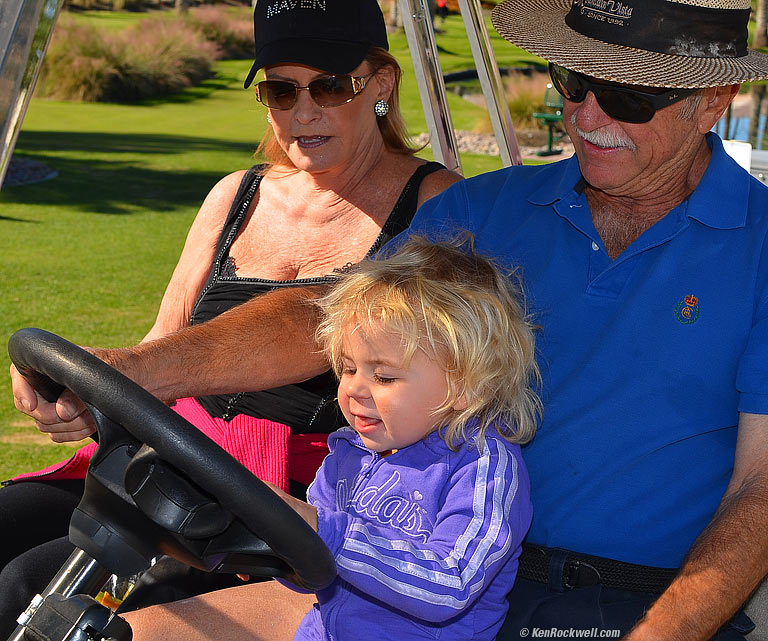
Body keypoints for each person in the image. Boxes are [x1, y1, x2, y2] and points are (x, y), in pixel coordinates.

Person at [11, 0, 768, 640]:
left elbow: (760, 487)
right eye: (574, 85)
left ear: (714, 99)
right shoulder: (492, 210)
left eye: (626, 98)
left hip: (632, 601)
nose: (587, 117)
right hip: (401, 569)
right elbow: (324, 315)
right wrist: (131, 369)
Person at [0, 0, 459, 635]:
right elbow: (160, 345)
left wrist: (137, 375)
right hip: (159, 460)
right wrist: (89, 392)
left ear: (380, 83)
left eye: (329, 85)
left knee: (26, 588)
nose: (303, 111)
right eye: (280, 88)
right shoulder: (234, 194)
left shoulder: (438, 205)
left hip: (276, 505)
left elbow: (320, 323)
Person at [264, 235, 541, 641]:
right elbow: (318, 575)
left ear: (464, 386)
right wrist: (277, 550)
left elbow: (450, 585)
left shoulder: (482, 465)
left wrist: (327, 535)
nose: (355, 389)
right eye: (347, 368)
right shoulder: (348, 453)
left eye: (384, 376)